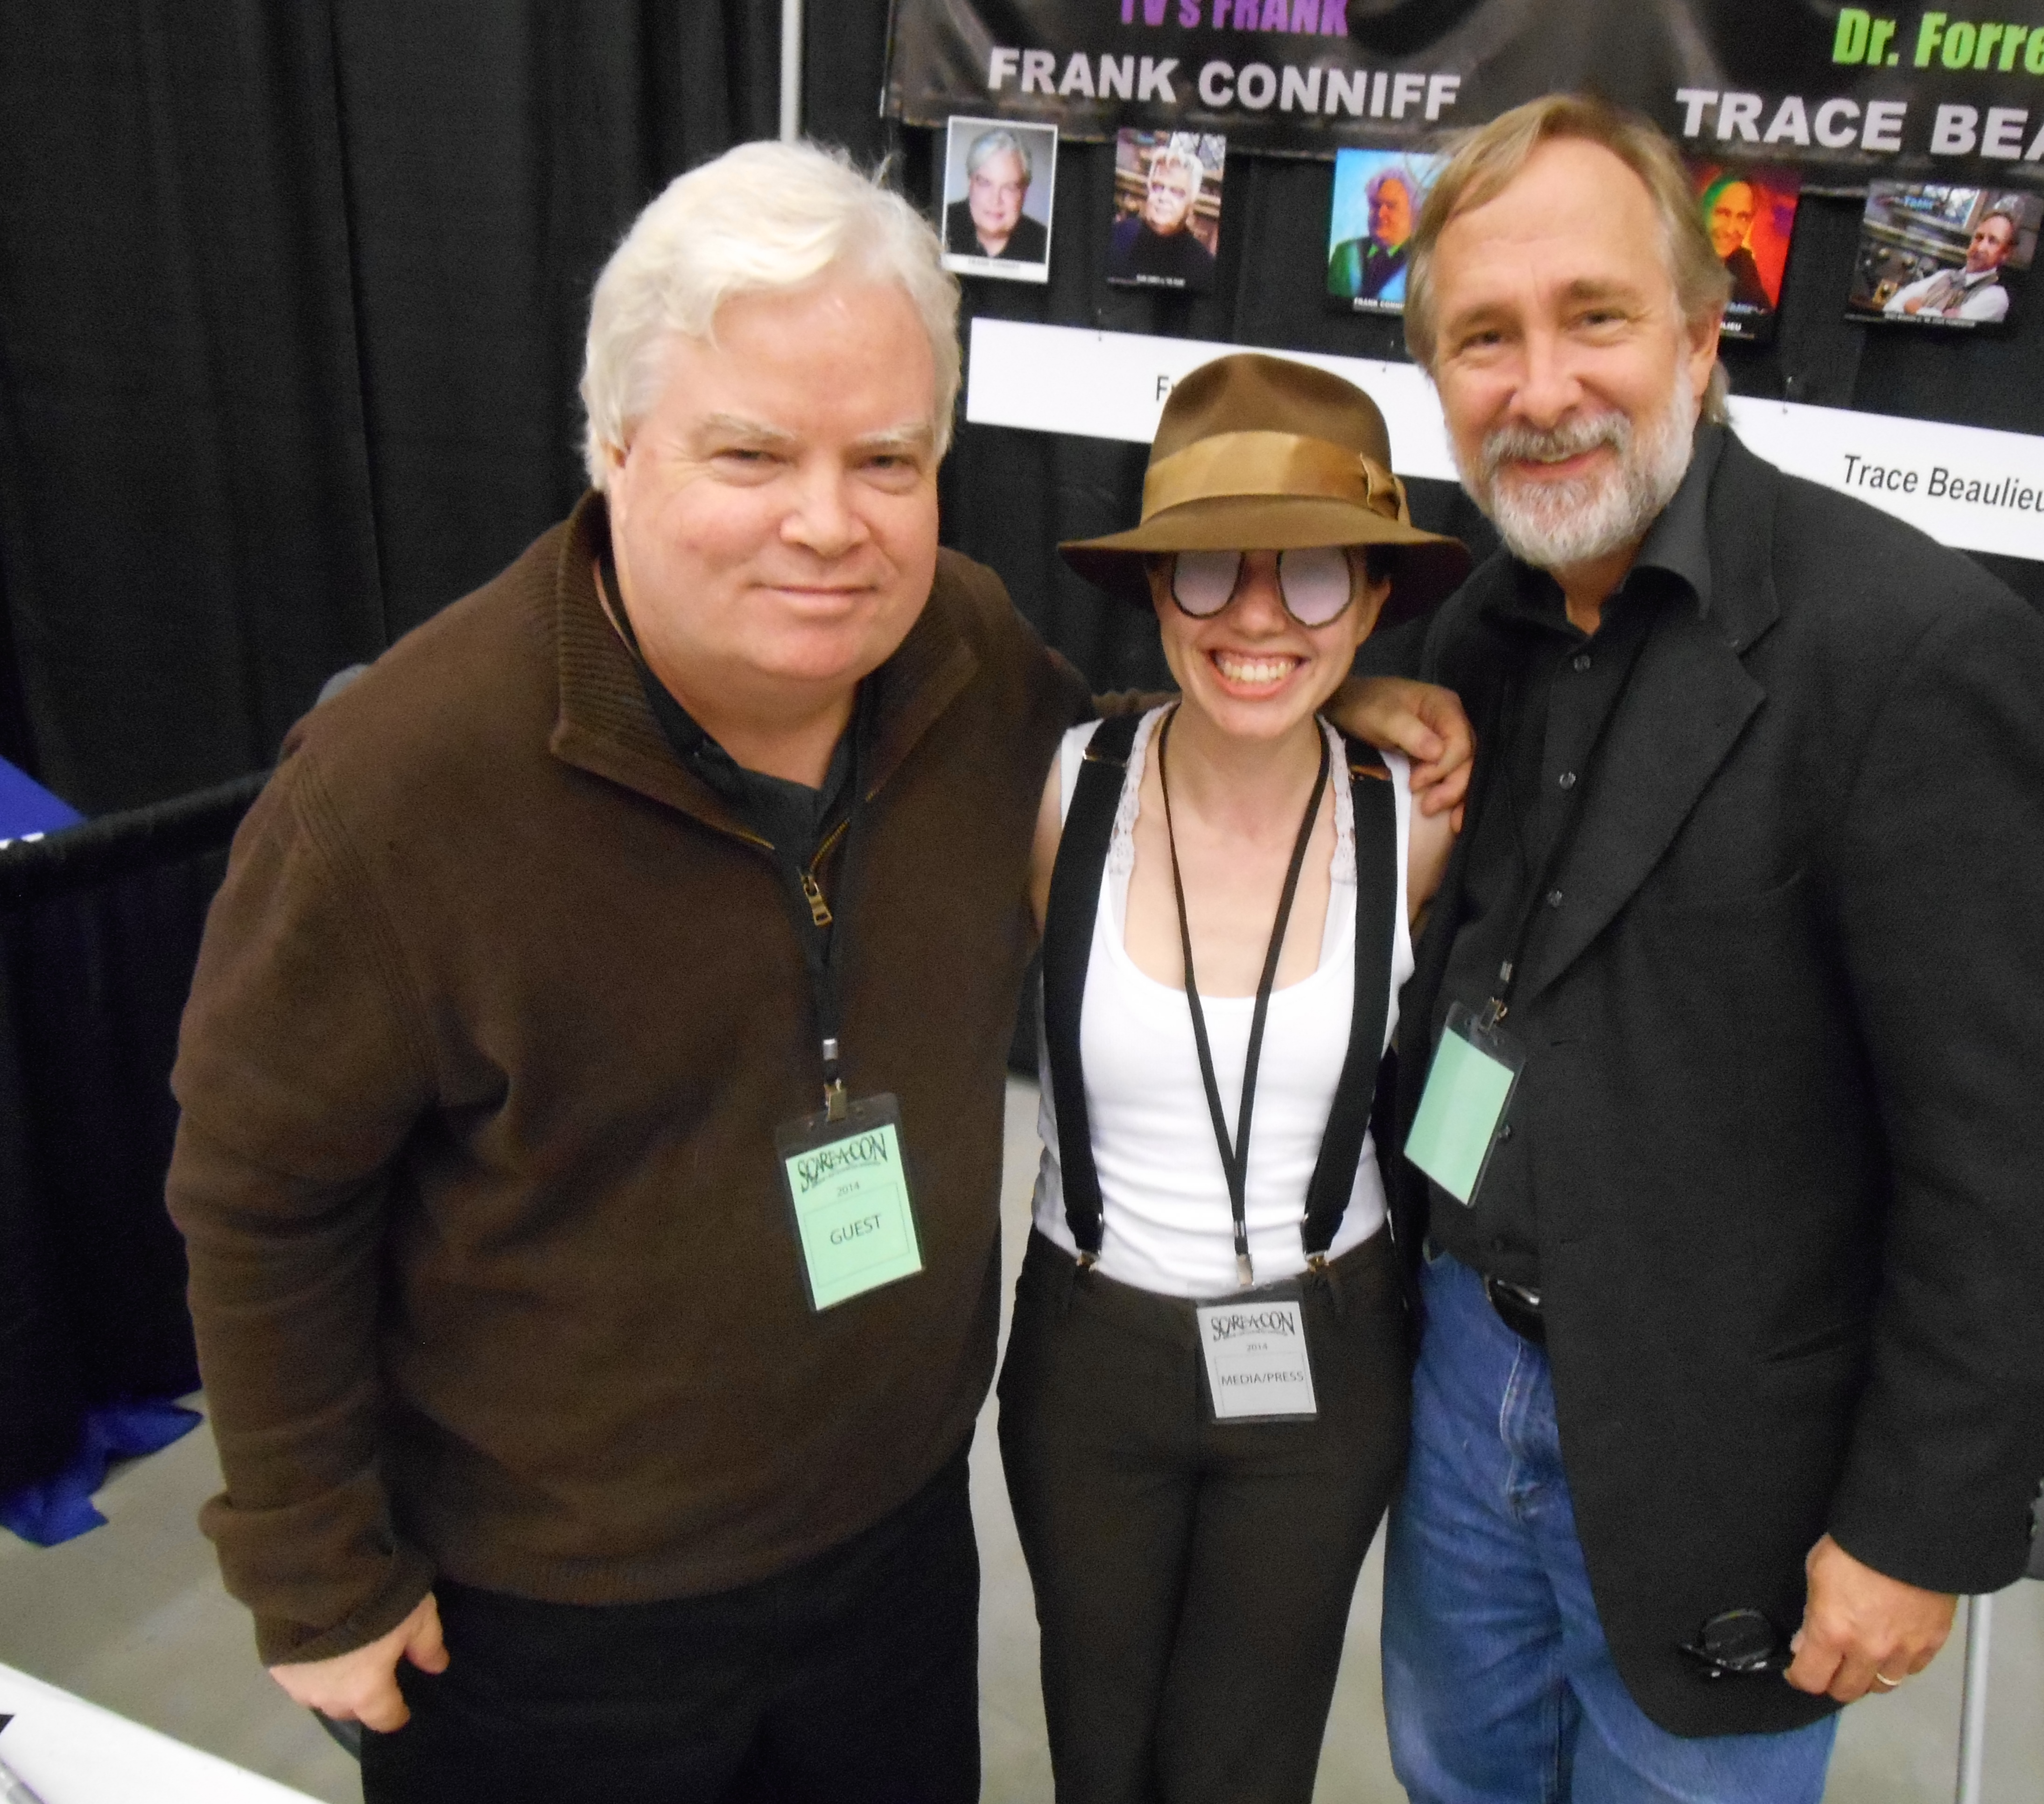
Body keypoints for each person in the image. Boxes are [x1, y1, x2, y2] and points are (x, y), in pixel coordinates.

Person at [164, 139, 1470, 1804]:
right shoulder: (396, 794)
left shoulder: (964, 659)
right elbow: (261, 1192)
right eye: (752, 451)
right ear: (614, 445)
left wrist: (1323, 700)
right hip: (552, 1616)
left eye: (887, 459)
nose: (828, 522)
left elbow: (1157, 760)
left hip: (891, 1557)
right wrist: (313, 1567)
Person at [1379, 95, 2044, 1804]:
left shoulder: (1912, 651)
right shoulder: (1476, 628)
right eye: (1483, 337)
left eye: (1594, 316)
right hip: (1460, 1373)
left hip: (1727, 1452)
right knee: (1452, 1780)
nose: (1540, 387)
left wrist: (1916, 1522)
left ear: (1702, 339)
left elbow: (2013, 1153)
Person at [999, 352, 1469, 1804]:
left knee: (1242, 1767)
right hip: (1090, 1352)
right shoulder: (1059, 793)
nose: (1258, 616)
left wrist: (1365, 701)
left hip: (1322, 1357)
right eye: (1211, 569)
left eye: (1315, 577)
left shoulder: (1418, 819)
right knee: (1100, 1752)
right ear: (1157, 588)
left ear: (1373, 601)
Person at [1110, 139, 1219, 289]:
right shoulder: (1116, 236)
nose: (1164, 198)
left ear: (1191, 202)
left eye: (1177, 192)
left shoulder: (1204, 268)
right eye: (1158, 187)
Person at [1885, 206, 2018, 323]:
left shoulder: (1996, 297)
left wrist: (1914, 308)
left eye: (1993, 241)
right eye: (1979, 238)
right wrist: (1935, 315)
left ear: (2005, 253)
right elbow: (1892, 306)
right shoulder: (1944, 275)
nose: (1980, 248)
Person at [944, 126, 1049, 265]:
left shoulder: (1044, 243)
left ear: (1024, 192)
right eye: (986, 183)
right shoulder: (941, 224)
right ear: (970, 183)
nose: (996, 200)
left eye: (1010, 188)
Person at [1328, 165, 1418, 304]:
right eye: (1375, 205)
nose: (1381, 214)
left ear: (1413, 213)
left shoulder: (1423, 259)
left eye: (1391, 206)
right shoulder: (1345, 253)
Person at [1702, 174, 1771, 312]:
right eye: (1723, 213)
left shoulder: (1743, 263)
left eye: (1743, 217)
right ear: (1703, 211)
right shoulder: (1674, 258)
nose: (1730, 230)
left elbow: (1762, 316)